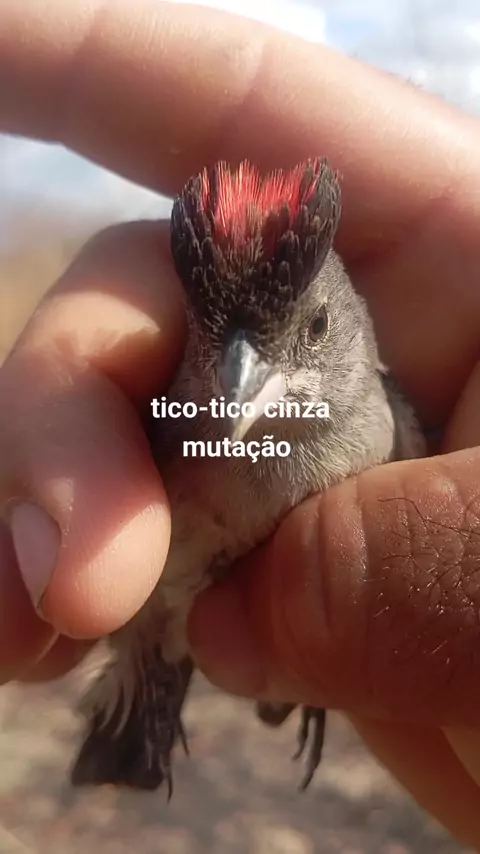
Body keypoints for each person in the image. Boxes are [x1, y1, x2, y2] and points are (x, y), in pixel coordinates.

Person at [2, 0, 480, 844]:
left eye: (311, 331)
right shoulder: (179, 418)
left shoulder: (395, 429)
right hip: (161, 612)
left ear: (345, 321)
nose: (240, 382)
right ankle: (136, 712)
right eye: (214, 346)